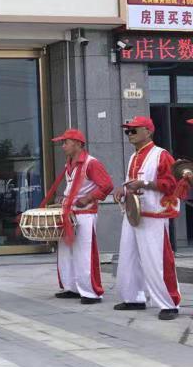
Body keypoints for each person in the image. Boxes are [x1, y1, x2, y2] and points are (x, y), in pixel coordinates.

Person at [113, 116, 187, 320]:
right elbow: (132, 182)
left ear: (148, 131)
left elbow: (172, 184)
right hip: (133, 212)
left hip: (154, 214)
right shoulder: (133, 156)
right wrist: (123, 189)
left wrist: (144, 184)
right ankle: (133, 298)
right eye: (127, 131)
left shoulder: (161, 155)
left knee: (158, 261)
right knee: (128, 257)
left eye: (134, 130)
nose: (129, 134)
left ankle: (169, 303)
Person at [39, 129, 113, 304]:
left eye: (65, 142)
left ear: (78, 144)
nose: (62, 146)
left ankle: (91, 293)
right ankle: (72, 288)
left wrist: (88, 198)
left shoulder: (91, 163)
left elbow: (107, 186)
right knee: (66, 252)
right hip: (69, 212)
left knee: (84, 253)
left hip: (85, 214)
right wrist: (64, 198)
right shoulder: (69, 163)